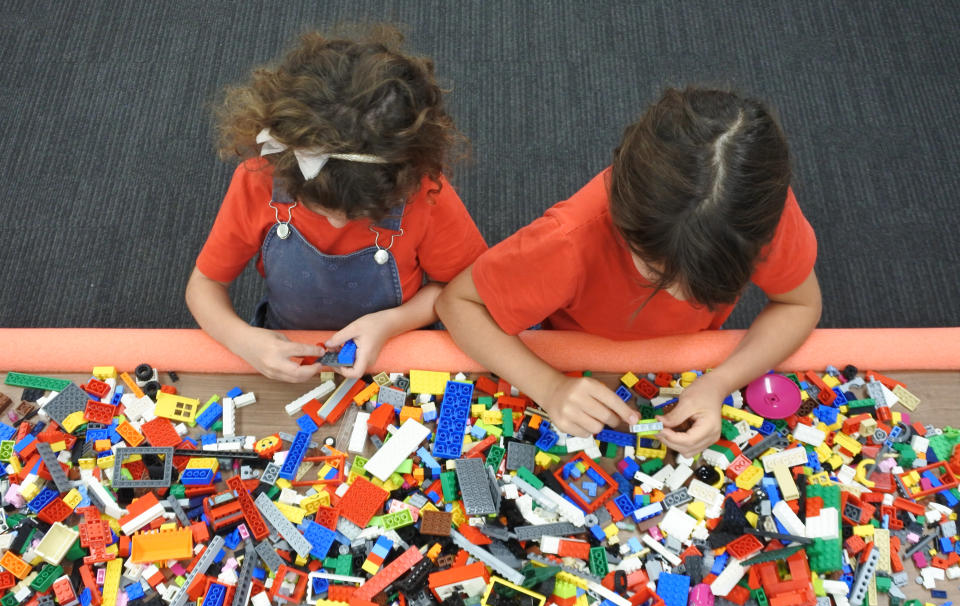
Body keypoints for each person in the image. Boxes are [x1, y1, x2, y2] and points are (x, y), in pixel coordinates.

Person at [437, 87, 821, 458]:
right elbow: (458, 304)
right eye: (656, 270)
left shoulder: (757, 217)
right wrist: (549, 386)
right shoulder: (568, 242)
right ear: (624, 221)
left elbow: (798, 305)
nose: (680, 296)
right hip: (581, 352)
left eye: (710, 281)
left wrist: (719, 382)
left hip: (684, 362)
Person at [186, 26, 487, 382]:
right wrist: (244, 341)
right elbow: (203, 285)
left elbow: (468, 288)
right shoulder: (259, 178)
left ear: (404, 178)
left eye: (360, 213)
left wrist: (391, 323)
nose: (338, 225)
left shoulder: (424, 194)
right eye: (319, 207)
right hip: (284, 345)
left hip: (398, 342)